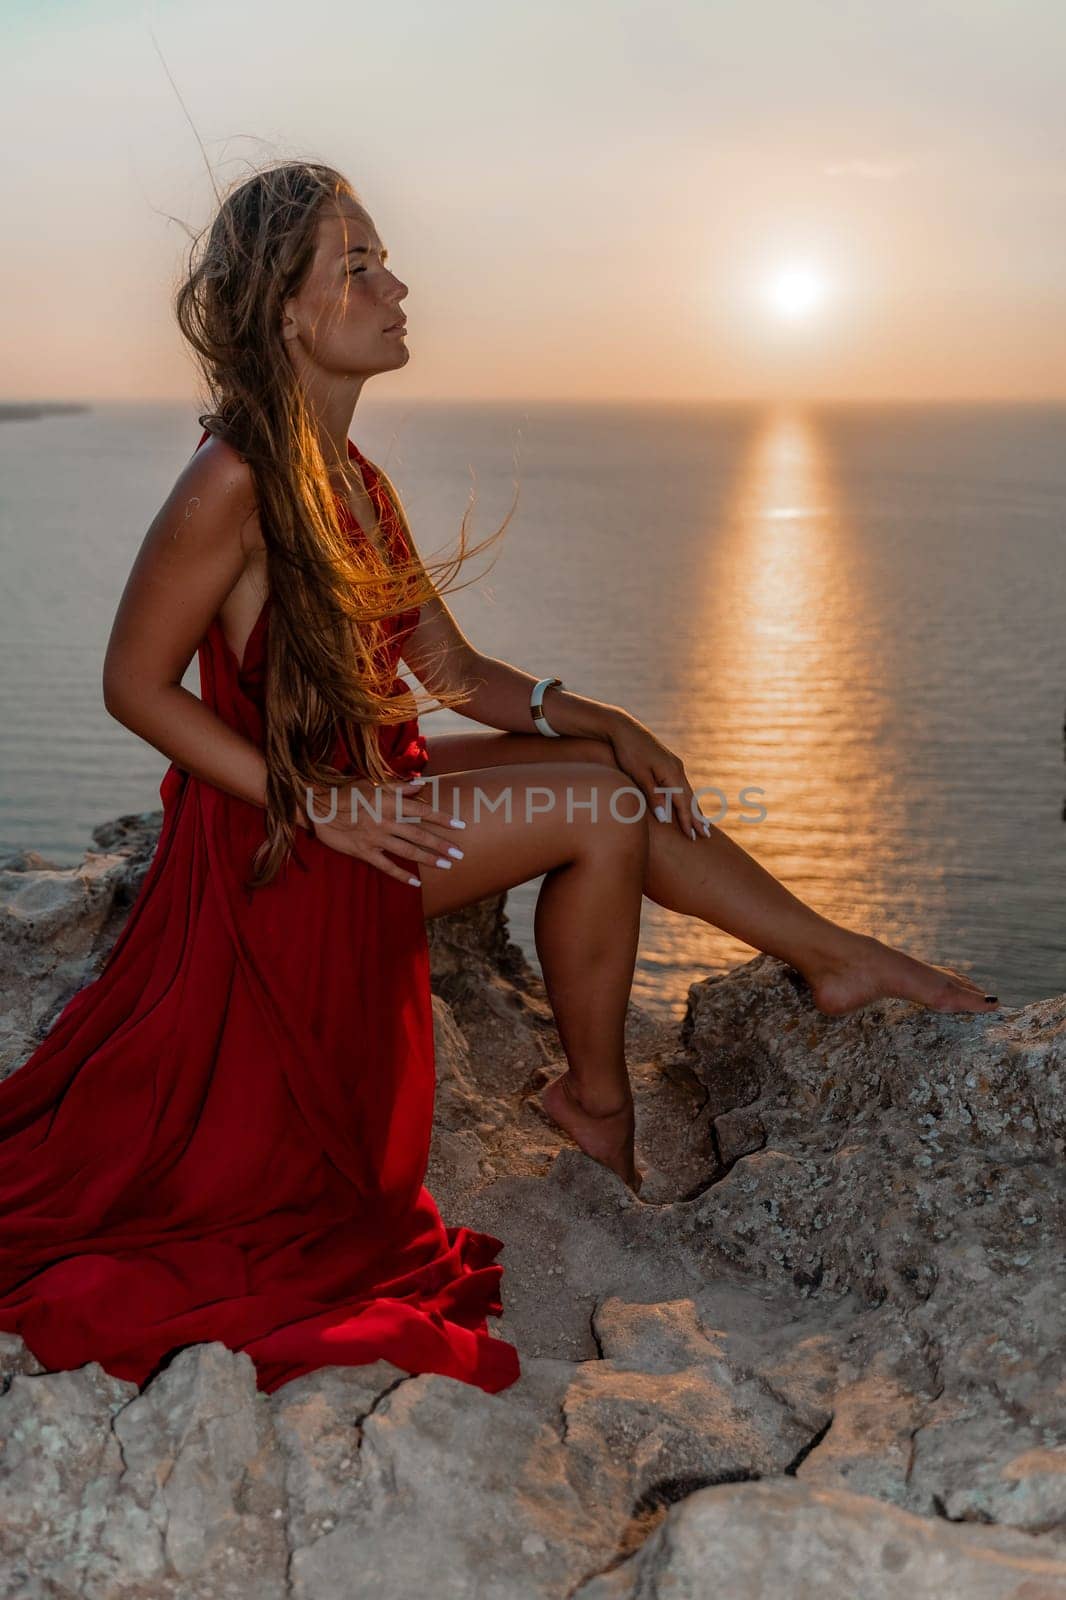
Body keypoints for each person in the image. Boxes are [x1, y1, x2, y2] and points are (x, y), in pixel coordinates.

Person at [0, 161, 998, 1401]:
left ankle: (831, 956)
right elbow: (132, 686)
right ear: (290, 311)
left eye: (383, 259)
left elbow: (451, 670)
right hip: (291, 852)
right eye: (358, 266)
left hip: (357, 801)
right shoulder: (235, 478)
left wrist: (600, 714)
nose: (396, 284)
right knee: (595, 808)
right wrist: (326, 804)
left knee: (600, 772)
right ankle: (599, 1099)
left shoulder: (349, 480)